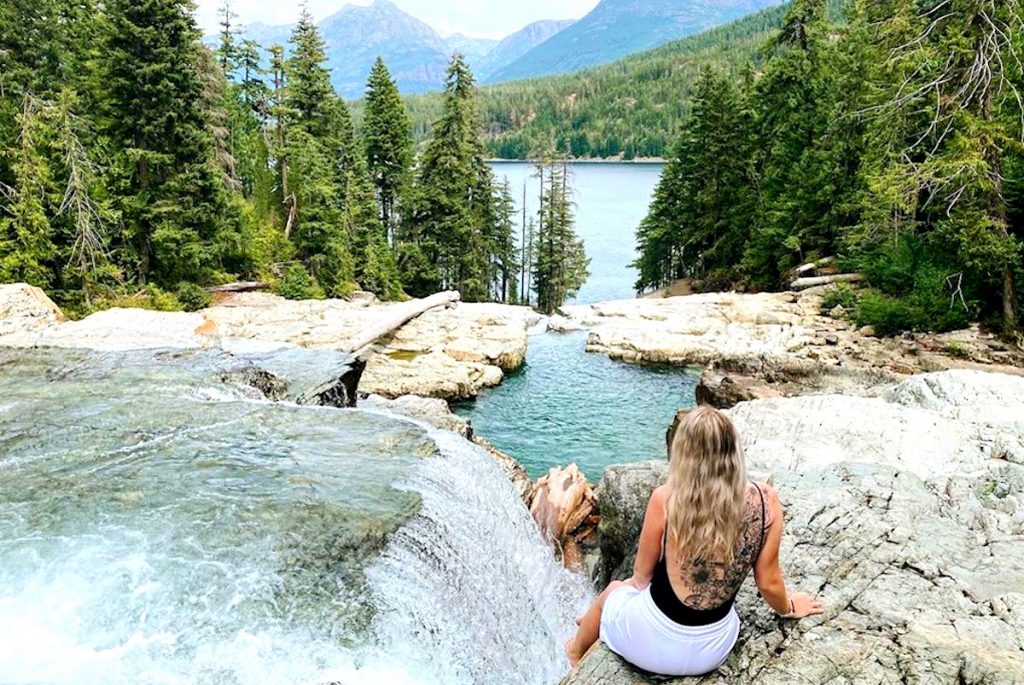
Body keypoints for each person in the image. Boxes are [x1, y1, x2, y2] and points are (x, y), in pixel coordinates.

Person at [565, 406, 823, 676]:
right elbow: (768, 583)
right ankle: (603, 617)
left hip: (651, 643)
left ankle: (575, 651)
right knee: (616, 598)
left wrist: (613, 596)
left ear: (684, 454)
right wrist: (791, 608)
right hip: (712, 650)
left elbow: (641, 578)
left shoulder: (665, 498)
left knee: (615, 589)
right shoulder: (766, 500)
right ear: (734, 450)